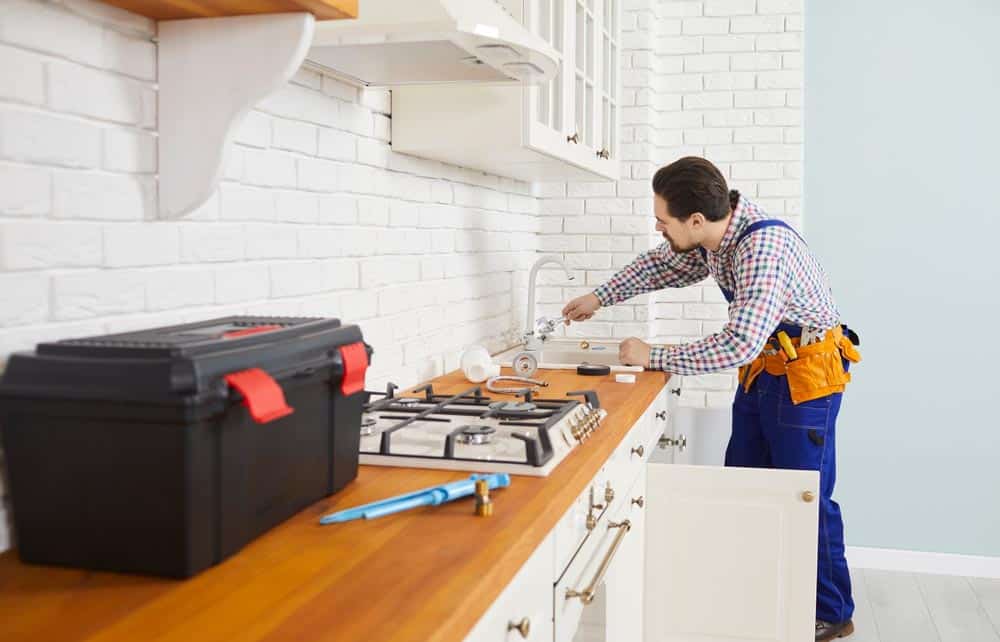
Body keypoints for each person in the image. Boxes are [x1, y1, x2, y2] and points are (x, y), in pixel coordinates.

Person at [562, 156, 861, 641]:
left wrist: (654, 355)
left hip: (806, 377)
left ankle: (832, 611)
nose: (659, 228)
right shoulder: (714, 238)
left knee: (805, 495)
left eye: (663, 221)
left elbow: (737, 343)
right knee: (745, 483)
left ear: (696, 220)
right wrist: (600, 297)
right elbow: (660, 266)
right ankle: (761, 592)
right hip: (766, 369)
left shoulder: (762, 248)